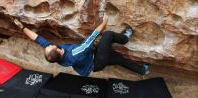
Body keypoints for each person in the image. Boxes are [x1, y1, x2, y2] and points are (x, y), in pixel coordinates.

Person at [13, 14, 149, 76]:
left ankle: (142, 70)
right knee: (108, 35)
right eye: (51, 46)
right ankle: (125, 38)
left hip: (90, 60)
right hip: (96, 61)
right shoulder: (74, 54)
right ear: (58, 52)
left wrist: (21, 27)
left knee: (119, 59)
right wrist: (104, 22)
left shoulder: (55, 54)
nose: (50, 44)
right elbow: (91, 38)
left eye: (49, 45)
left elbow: (38, 39)